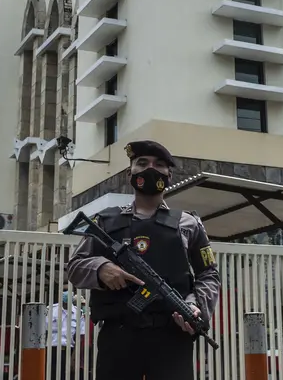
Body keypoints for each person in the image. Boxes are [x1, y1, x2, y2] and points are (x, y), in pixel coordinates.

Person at [65, 140, 220, 380]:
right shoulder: (105, 222)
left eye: (159, 164)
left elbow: (208, 275)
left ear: (169, 174)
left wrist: (195, 305)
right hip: (118, 336)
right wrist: (101, 268)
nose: (151, 169)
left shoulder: (187, 223)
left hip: (172, 335)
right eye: (142, 163)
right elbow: (75, 266)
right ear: (130, 173)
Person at [48, 289, 82, 380]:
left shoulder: (78, 313)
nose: (66, 293)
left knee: (65, 376)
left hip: (68, 351)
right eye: (64, 290)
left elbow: (79, 338)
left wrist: (74, 357)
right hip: (52, 350)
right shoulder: (51, 310)